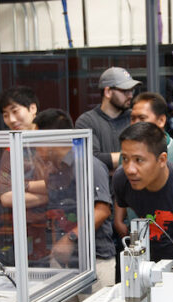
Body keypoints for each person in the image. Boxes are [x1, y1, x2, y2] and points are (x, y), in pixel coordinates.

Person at [33, 108, 118, 287]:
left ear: (51, 140)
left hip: (94, 260)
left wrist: (70, 239)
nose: (34, 146)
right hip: (63, 261)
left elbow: (101, 211)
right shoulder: (54, 171)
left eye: (36, 140)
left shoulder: (88, 164)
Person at [113, 122, 173, 265]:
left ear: (161, 160)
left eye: (138, 160)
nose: (130, 169)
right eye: (125, 159)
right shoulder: (122, 180)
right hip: (147, 264)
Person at [0, 86, 49, 265]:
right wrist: (48, 193)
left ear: (32, 109)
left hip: (56, 228)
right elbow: (5, 197)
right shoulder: (10, 150)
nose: (11, 119)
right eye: (5, 114)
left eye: (15, 111)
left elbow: (66, 185)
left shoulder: (53, 141)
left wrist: (19, 186)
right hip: (22, 230)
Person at [76, 66, 140, 172]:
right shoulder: (86, 121)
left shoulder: (134, 117)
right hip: (101, 187)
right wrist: (132, 158)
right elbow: (88, 161)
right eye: (125, 91)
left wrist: (111, 163)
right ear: (108, 92)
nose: (130, 95)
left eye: (131, 91)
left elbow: (147, 155)